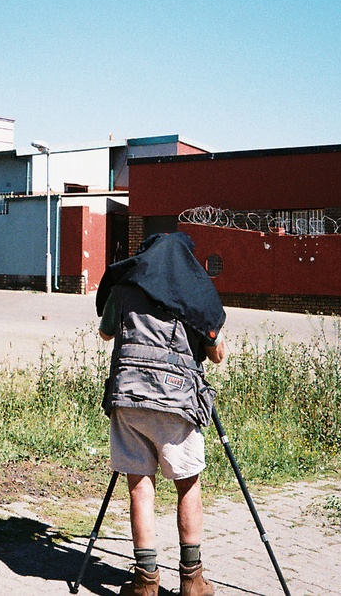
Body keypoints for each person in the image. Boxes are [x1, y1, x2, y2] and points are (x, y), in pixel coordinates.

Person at [96, 233, 227, 596]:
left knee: (140, 487)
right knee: (187, 484)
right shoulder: (196, 292)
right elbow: (216, 354)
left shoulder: (125, 286)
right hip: (176, 399)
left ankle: (145, 581)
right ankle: (192, 579)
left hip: (129, 397)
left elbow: (107, 333)